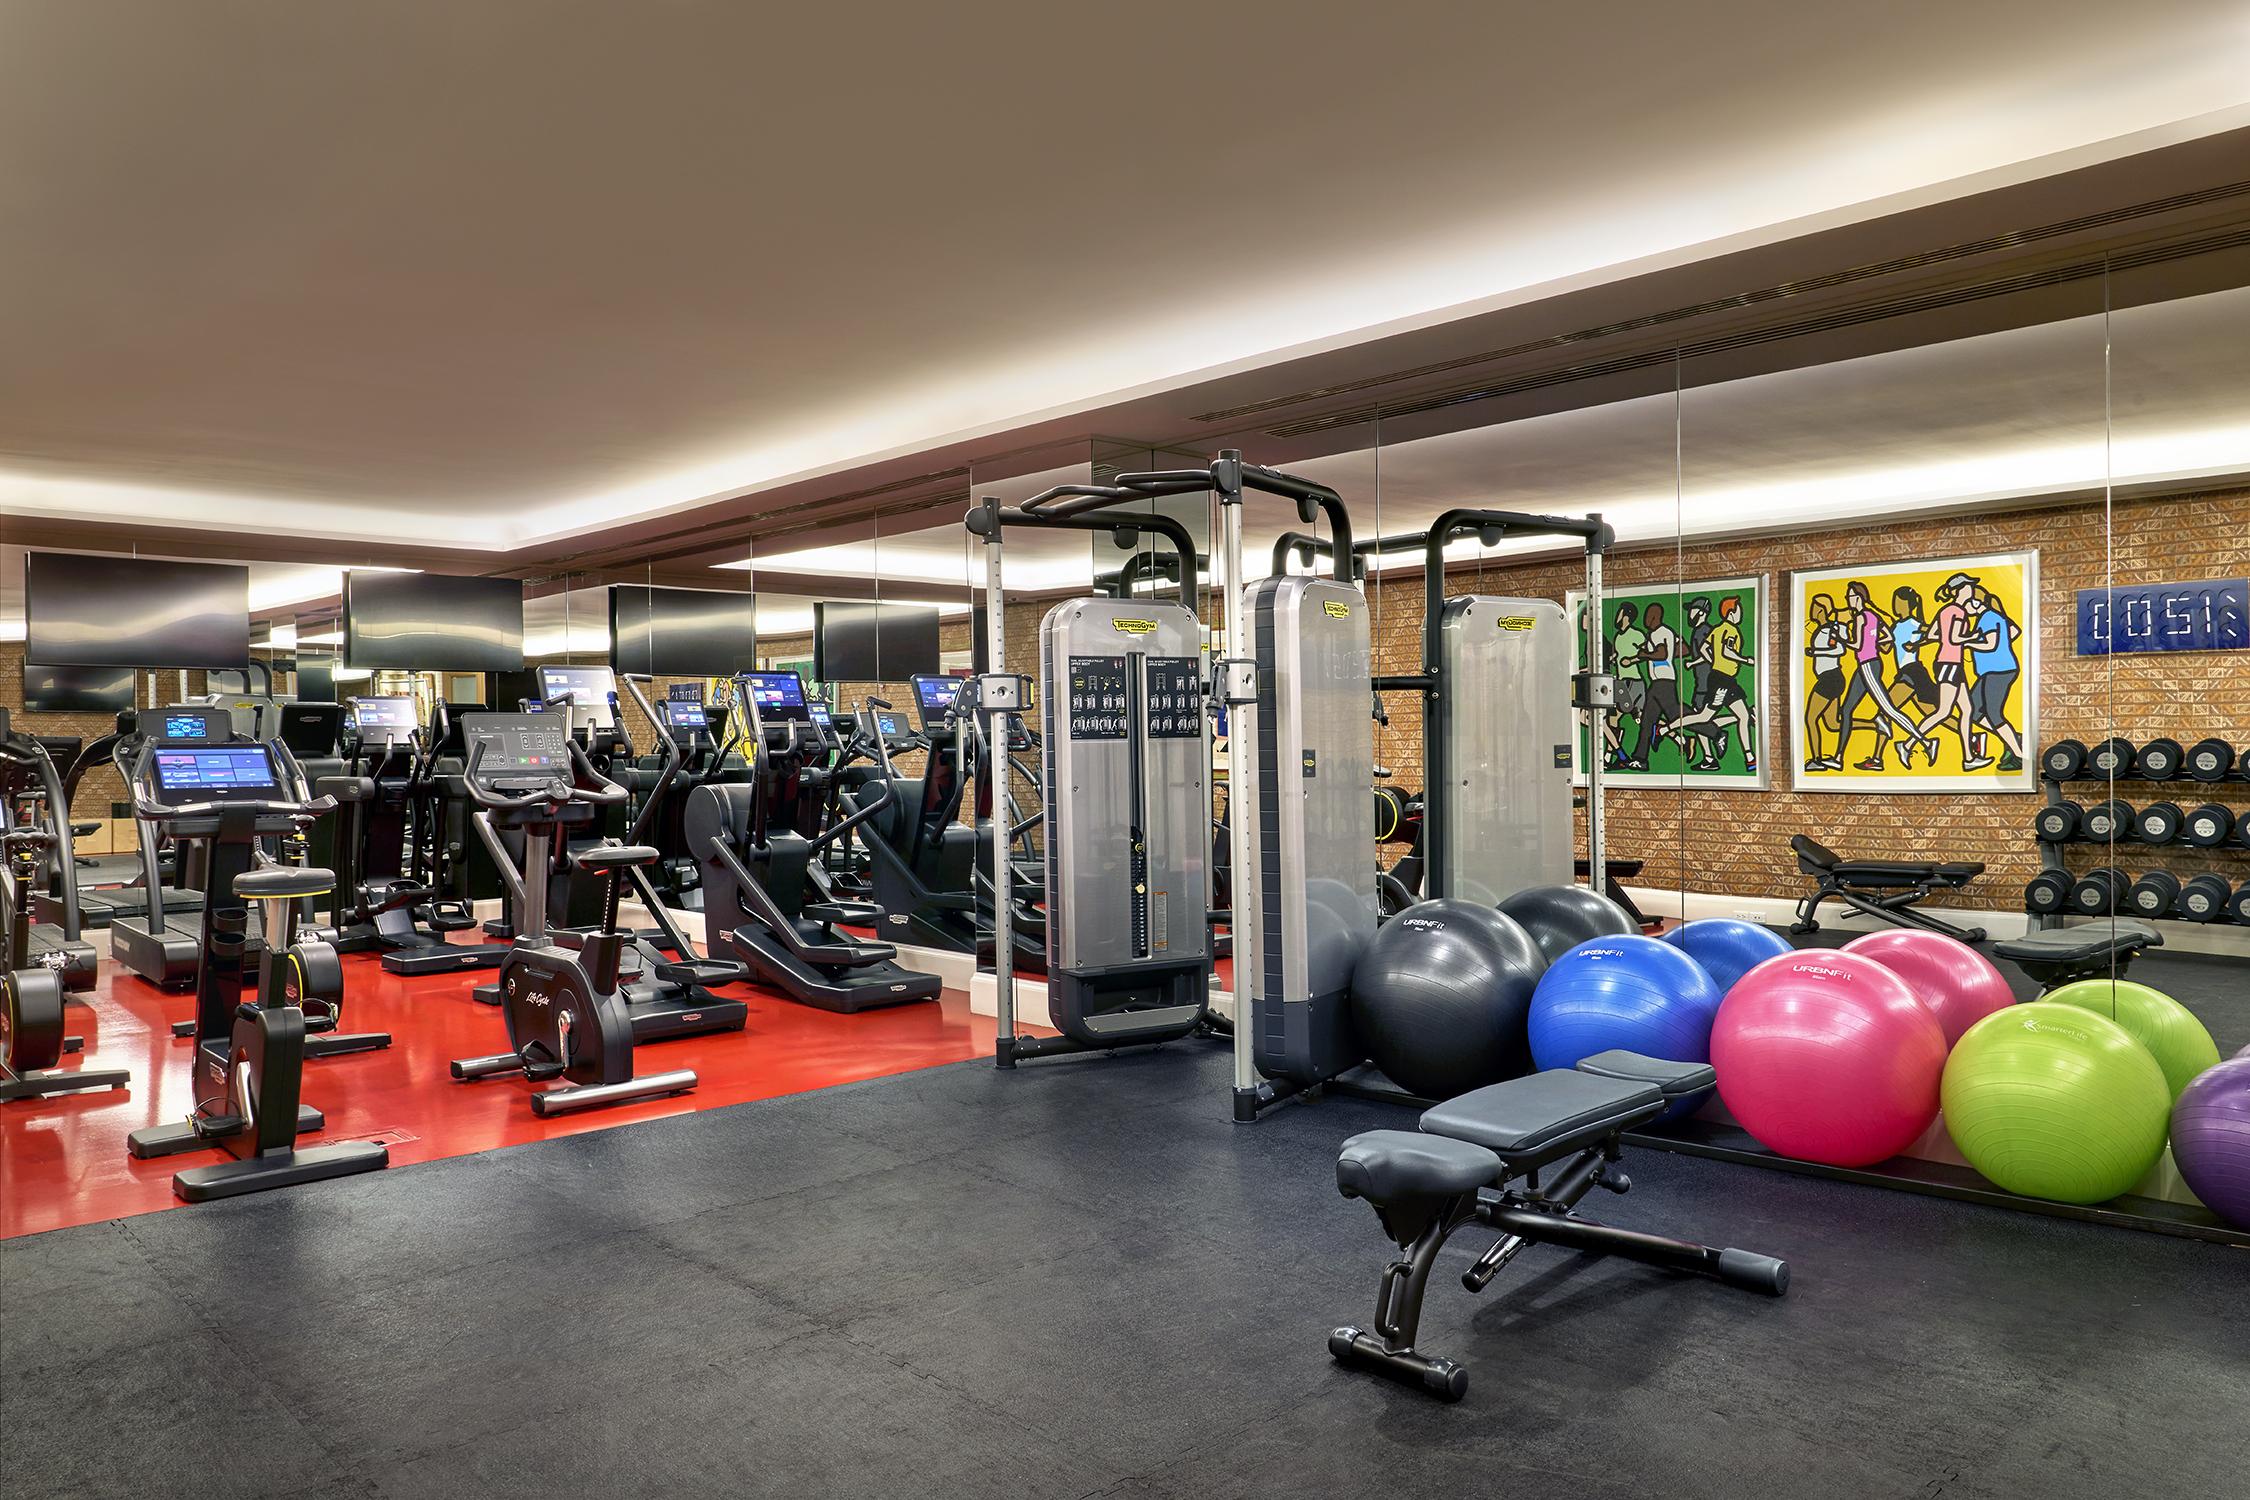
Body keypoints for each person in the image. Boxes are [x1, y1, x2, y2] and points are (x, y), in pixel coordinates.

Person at [1835, 580, 1933, 772]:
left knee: (1888, 709)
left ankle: (1925, 742)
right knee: (1846, 710)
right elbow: (1888, 638)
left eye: (1850, 596)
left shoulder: (1861, 617)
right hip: (1869, 665)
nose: (1848, 599)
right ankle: (1839, 758)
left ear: (1858, 598)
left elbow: (1858, 646)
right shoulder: (1873, 616)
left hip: (1870, 665)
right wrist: (1875, 643)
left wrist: (1841, 639)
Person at [1670, 594, 1757, 773]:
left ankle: (1748, 758)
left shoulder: (1711, 630)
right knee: (1704, 717)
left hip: (1719, 680)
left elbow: (1705, 649)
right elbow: (1726, 651)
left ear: (1701, 612)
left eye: (1693, 609)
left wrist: (1711, 663)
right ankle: (1667, 729)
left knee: (1735, 716)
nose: (1690, 613)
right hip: (1720, 680)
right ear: (1731, 613)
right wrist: (1745, 660)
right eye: (1739, 610)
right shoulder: (1727, 630)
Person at [1959, 577, 2025, 773]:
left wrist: (1966, 643)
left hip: (1999, 671)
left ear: (1976, 602)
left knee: (1994, 714)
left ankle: (2019, 755)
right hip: (1990, 672)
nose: (1964, 609)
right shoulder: (1990, 617)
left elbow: (1990, 645)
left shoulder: (1988, 617)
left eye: (1966, 604)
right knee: (1974, 711)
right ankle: (2012, 737)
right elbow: (2014, 631)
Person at [1913, 574, 1975, 767]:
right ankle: (1908, 744)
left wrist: (1945, 637)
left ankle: (1969, 758)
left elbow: (1932, 634)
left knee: (1967, 709)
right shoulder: (1959, 611)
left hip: (1950, 663)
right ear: (1960, 590)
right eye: (1969, 586)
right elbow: (1955, 639)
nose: (1971, 589)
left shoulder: (1946, 610)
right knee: (1943, 711)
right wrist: (1973, 637)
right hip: (1950, 663)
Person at [1883, 586, 1942, 769]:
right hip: (1910, 673)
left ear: (1908, 604)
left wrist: (1918, 644)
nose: (1895, 606)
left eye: (1898, 602)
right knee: (1935, 714)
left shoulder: (1915, 624)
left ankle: (1878, 758)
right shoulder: (1895, 625)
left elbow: (1936, 633)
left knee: (1885, 711)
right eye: (1894, 602)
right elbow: (1886, 648)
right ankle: (1973, 738)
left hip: (1912, 672)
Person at [1626, 600, 1680, 771]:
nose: (1646, 620)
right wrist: (1636, 658)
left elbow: (1661, 654)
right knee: (1647, 721)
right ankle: (1640, 758)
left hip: (1664, 682)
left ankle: (1713, 732)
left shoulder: (1660, 632)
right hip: (1657, 682)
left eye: (1648, 616)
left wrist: (1645, 654)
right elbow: (1679, 649)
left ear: (1655, 616)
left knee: (1676, 715)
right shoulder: (1658, 634)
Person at [1802, 595, 1849, 771]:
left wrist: (1815, 651)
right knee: (1833, 724)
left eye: (1815, 606)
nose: (1812, 609)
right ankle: (1876, 724)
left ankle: (1816, 760)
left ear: (1822, 609)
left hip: (1830, 678)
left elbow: (1839, 649)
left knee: (1810, 718)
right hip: (1831, 678)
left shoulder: (1831, 629)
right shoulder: (1822, 629)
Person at [1608, 602, 1647, 770]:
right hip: (1623, 682)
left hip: (1633, 681)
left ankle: (1614, 756)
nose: (1617, 615)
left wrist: (1631, 660)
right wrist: (1614, 659)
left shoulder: (1636, 634)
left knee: (1614, 717)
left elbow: (1646, 652)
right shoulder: (1618, 636)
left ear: (1626, 615)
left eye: (1619, 612)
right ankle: (1679, 737)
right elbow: (1620, 654)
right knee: (1640, 718)